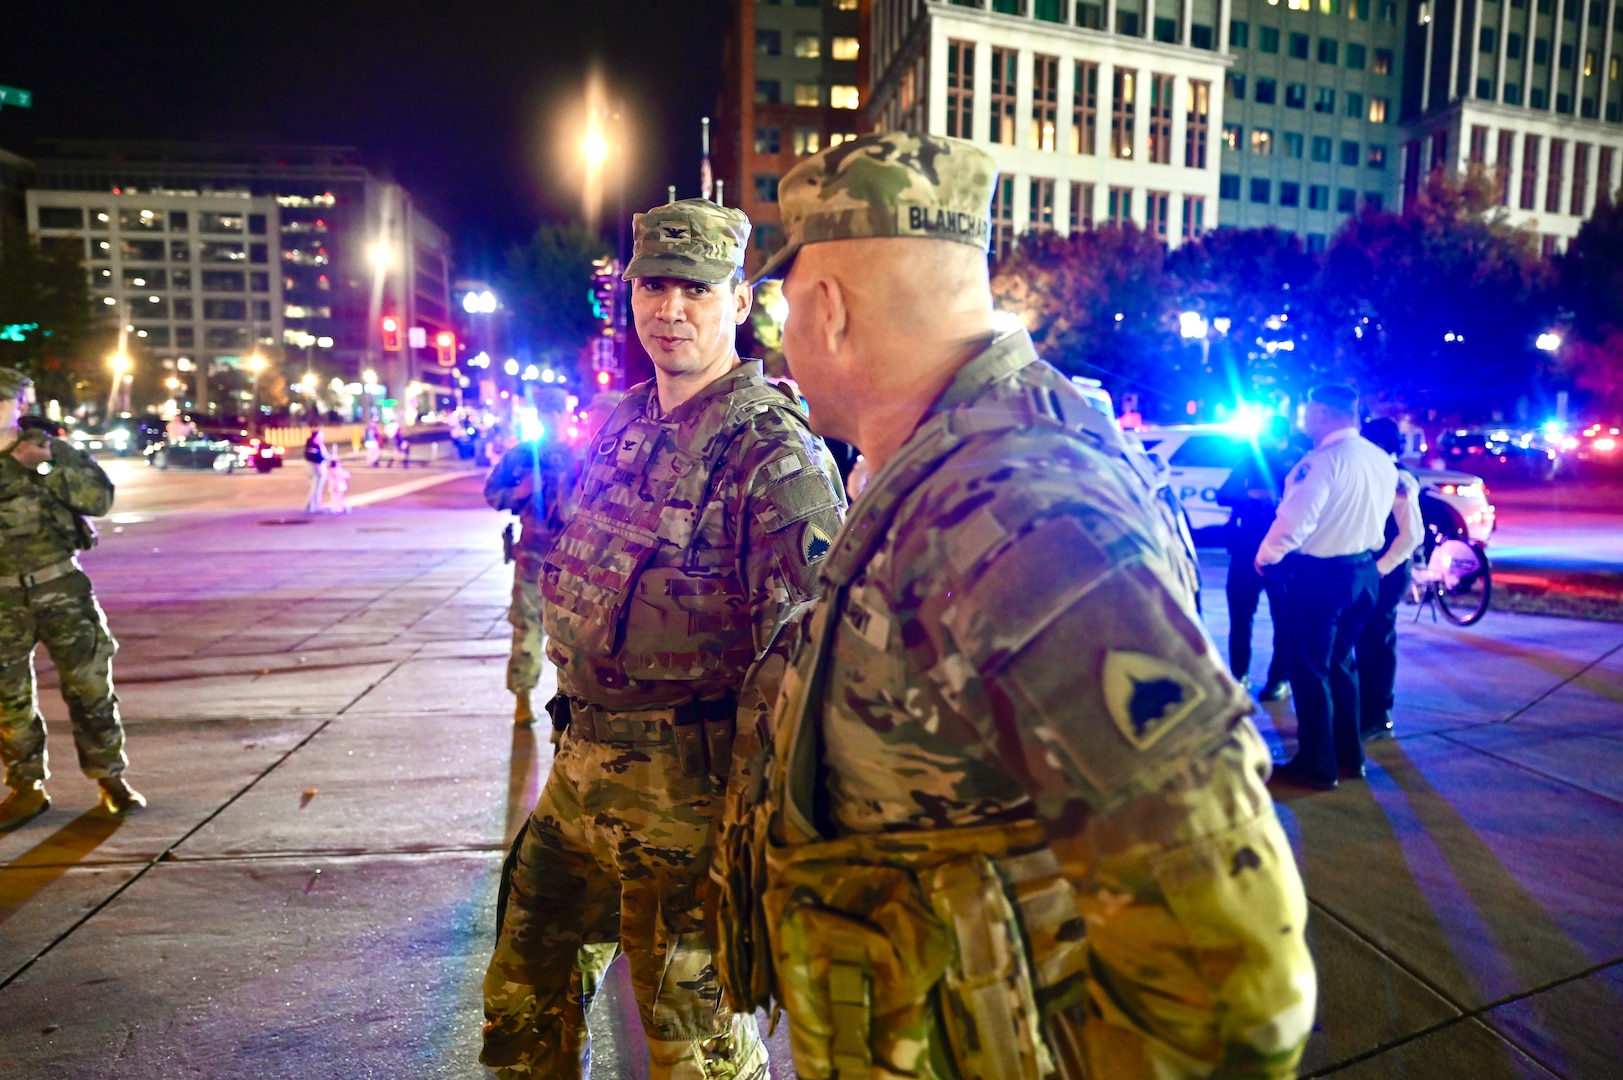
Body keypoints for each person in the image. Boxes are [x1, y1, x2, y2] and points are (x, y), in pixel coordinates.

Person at [712, 133, 1314, 1079]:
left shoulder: (1012, 507)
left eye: (783, 308)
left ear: (827, 310)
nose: (778, 340)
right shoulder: (958, 465)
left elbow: (1234, 979)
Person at [480, 199, 847, 1080]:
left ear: (738, 302)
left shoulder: (770, 451)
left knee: (695, 1054)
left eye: (696, 289)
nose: (669, 309)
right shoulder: (622, 421)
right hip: (581, 776)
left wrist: (762, 844)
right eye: (653, 286)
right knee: (521, 1009)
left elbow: (806, 668)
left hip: (692, 808)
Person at [0, 368, 145, 830]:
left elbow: (99, 500)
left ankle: (110, 778)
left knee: (89, 686)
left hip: (60, 586)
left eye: (3, 401)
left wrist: (44, 467)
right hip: (2, 597)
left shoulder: (50, 450)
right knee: (8, 698)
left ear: (19, 405)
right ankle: (26, 787)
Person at [1256, 385, 1397, 790]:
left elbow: (1296, 519)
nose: (1303, 418)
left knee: (1311, 672)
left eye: (1307, 410)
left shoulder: (1321, 462)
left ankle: (1316, 766)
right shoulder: (1379, 459)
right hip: (1363, 573)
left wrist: (1266, 557)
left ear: (1320, 413)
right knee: (1340, 665)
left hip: (1322, 578)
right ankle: (1349, 757)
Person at [483, 388, 579, 727]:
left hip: (576, 560)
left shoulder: (583, 453)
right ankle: (522, 699)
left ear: (566, 414)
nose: (552, 419)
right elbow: (492, 492)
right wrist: (518, 493)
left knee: (576, 638)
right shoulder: (523, 454)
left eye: (557, 412)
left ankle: (569, 712)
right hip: (533, 556)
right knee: (526, 625)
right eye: (546, 412)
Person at [1216, 415, 1299, 699]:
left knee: (1283, 620)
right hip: (1248, 551)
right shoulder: (1250, 460)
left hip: (1281, 554)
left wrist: (1274, 498)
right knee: (1242, 617)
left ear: (1281, 437)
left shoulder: (1298, 462)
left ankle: (1275, 679)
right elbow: (1222, 494)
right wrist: (1251, 496)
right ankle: (1242, 676)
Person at [1357, 417, 1423, 741]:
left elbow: (1412, 534)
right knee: (1364, 639)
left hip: (1388, 570)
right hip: (1375, 569)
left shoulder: (1398, 478)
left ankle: (1379, 715)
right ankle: (1365, 711)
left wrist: (1380, 568)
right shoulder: (1379, 473)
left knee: (1377, 639)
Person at [303, 426, 331, 513]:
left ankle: (312, 505)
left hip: (320, 467)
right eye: (321, 435)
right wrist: (320, 463)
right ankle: (314, 505)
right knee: (316, 488)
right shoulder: (313, 446)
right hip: (316, 468)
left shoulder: (319, 445)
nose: (323, 437)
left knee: (316, 488)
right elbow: (313, 458)